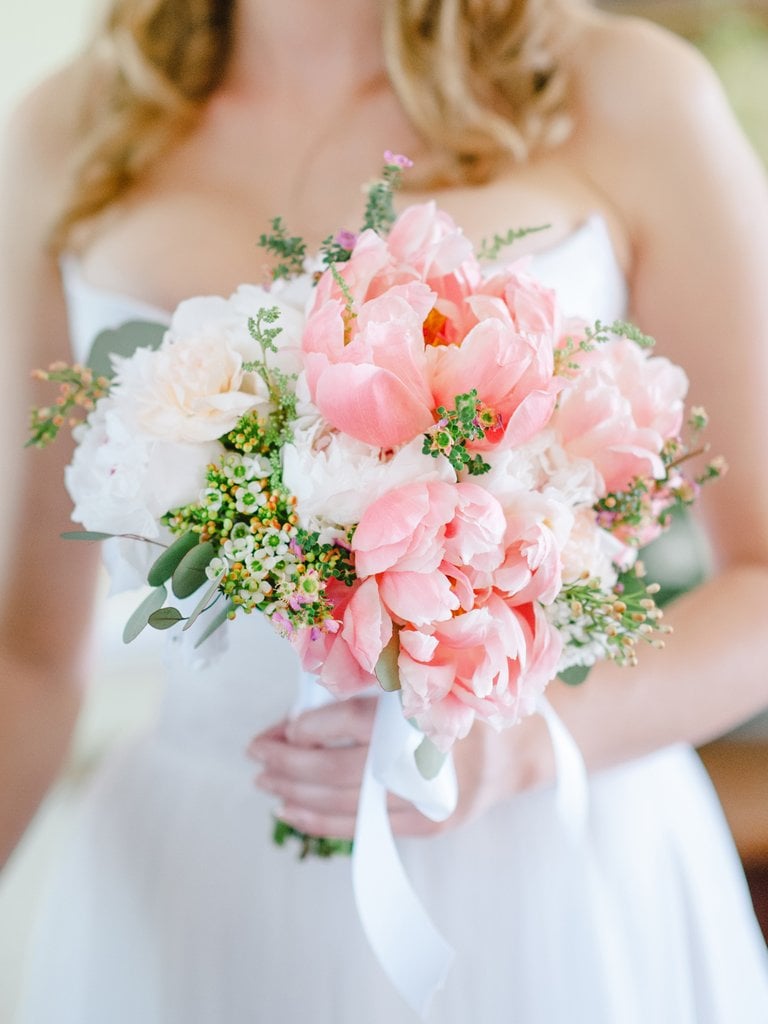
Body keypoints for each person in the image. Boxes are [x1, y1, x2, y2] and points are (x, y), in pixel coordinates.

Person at [2, 0, 768, 1020]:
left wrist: (530, 739)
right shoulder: (70, 127)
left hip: (548, 879)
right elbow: (29, 654)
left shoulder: (628, 91)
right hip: (200, 886)